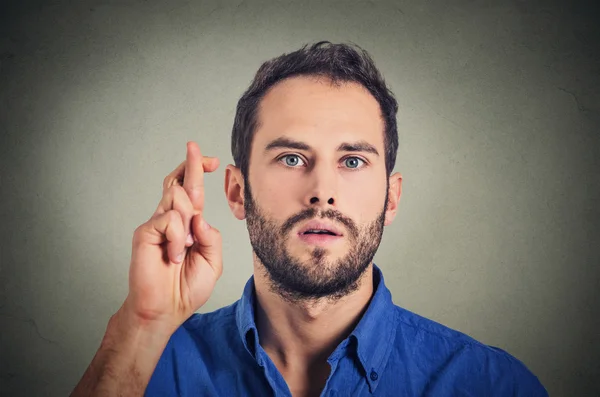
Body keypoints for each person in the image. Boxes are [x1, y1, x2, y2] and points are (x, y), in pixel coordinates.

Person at [71, 41, 547, 397]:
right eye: (293, 159)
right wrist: (143, 322)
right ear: (237, 192)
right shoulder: (146, 367)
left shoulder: (490, 384)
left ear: (391, 198)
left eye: (353, 161)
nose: (323, 190)